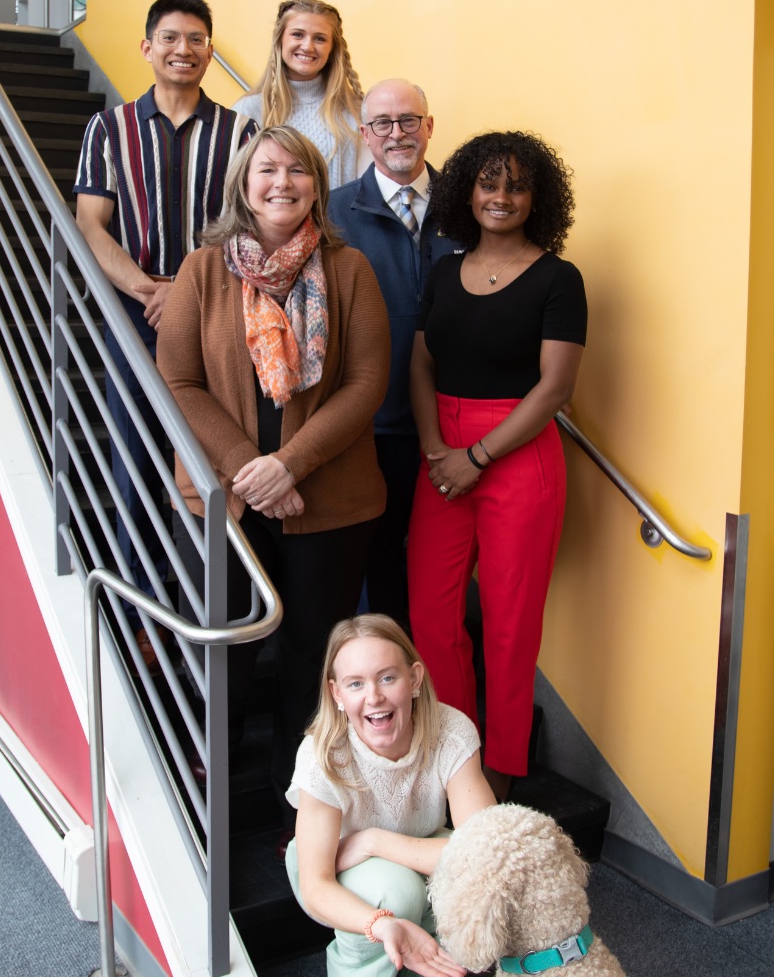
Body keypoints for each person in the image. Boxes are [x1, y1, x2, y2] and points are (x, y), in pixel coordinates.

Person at [156, 125, 390, 845]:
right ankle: (207, 811)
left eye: (297, 169)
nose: (281, 181)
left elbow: (366, 383)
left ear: (317, 184)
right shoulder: (201, 270)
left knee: (311, 661)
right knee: (220, 651)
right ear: (242, 184)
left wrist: (290, 464)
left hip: (330, 503)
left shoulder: (349, 270)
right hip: (225, 505)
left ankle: (310, 817)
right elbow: (180, 381)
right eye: (266, 169)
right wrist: (250, 471)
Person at [73, 0, 257, 666]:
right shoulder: (110, 127)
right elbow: (91, 223)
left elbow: (249, 223)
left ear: (211, 49)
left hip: (214, 312)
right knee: (137, 455)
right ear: (147, 47)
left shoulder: (239, 134)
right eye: (172, 38)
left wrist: (186, 288)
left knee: (208, 464)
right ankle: (133, 615)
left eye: (198, 39)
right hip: (137, 311)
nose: (185, 49)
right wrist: (150, 288)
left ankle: (193, 615)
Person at [407, 130, 587, 803]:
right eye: (488, 183)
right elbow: (421, 363)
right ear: (466, 192)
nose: (501, 196)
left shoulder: (558, 279)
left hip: (517, 452)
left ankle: (505, 766)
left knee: (512, 625)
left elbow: (554, 389)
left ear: (536, 198)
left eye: (515, 185)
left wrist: (477, 456)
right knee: (430, 614)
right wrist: (436, 448)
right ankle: (459, 752)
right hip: (442, 453)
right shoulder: (443, 272)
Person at [286, 613, 495, 977]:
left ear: (413, 679)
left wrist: (373, 841)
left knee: (476, 884)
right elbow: (316, 884)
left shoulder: (452, 732)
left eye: (387, 677)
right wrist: (379, 924)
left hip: (406, 843)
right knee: (398, 894)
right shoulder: (321, 755)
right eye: (355, 684)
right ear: (336, 693)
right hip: (334, 861)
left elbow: (486, 852)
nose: (374, 697)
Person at [329, 80, 465, 630]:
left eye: (409, 120)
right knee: (376, 566)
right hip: (370, 427)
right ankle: (382, 686)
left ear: (429, 126)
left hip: (455, 426)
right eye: (382, 123)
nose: (396, 134)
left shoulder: (468, 208)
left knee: (443, 569)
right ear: (364, 134)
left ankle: (433, 677)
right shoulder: (333, 212)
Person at [232, 0, 367, 189]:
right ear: (280, 40)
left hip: (339, 220)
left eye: (320, 38)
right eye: (297, 34)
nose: (308, 46)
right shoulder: (249, 110)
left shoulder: (355, 111)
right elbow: (235, 190)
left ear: (332, 49)